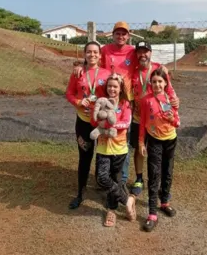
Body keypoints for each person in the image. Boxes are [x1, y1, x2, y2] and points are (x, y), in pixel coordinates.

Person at [72, 21, 174, 186]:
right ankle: (102, 177)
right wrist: (81, 66)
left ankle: (121, 178)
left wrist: (162, 67)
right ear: (113, 35)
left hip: (126, 101)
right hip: (107, 100)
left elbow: (145, 59)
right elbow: (93, 60)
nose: (121, 36)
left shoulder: (132, 52)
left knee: (123, 139)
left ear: (128, 36)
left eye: (124, 34)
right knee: (103, 136)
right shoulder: (105, 50)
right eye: (117, 33)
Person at [65, 41, 112, 209]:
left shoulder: (107, 74)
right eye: (89, 52)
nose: (92, 55)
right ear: (84, 54)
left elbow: (114, 94)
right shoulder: (77, 73)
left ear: (100, 56)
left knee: (103, 159)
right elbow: (69, 93)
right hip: (83, 122)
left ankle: (107, 193)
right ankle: (81, 192)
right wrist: (79, 102)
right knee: (84, 158)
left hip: (101, 124)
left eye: (95, 52)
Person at [129, 41, 178, 197]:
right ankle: (138, 179)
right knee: (139, 148)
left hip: (158, 119)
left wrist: (175, 103)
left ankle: (162, 185)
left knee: (160, 153)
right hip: (138, 117)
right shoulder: (133, 72)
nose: (143, 54)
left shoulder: (159, 69)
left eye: (146, 51)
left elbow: (169, 91)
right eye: (140, 52)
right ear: (136, 54)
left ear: (151, 53)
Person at [90, 73, 136, 227]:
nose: (112, 89)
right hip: (103, 148)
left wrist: (110, 125)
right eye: (109, 86)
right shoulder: (101, 102)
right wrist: (98, 119)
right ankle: (127, 200)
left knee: (116, 179)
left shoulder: (125, 104)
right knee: (103, 178)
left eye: (115, 86)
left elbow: (126, 123)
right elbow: (93, 119)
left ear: (120, 88)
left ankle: (111, 210)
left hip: (119, 148)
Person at [138, 68, 180, 232]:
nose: (157, 84)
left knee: (168, 172)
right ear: (151, 83)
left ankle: (164, 203)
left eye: (160, 81)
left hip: (170, 140)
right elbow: (142, 122)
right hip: (154, 141)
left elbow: (177, 122)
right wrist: (141, 143)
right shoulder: (146, 100)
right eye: (154, 81)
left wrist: (172, 119)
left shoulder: (171, 99)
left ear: (165, 83)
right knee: (154, 175)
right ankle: (152, 213)